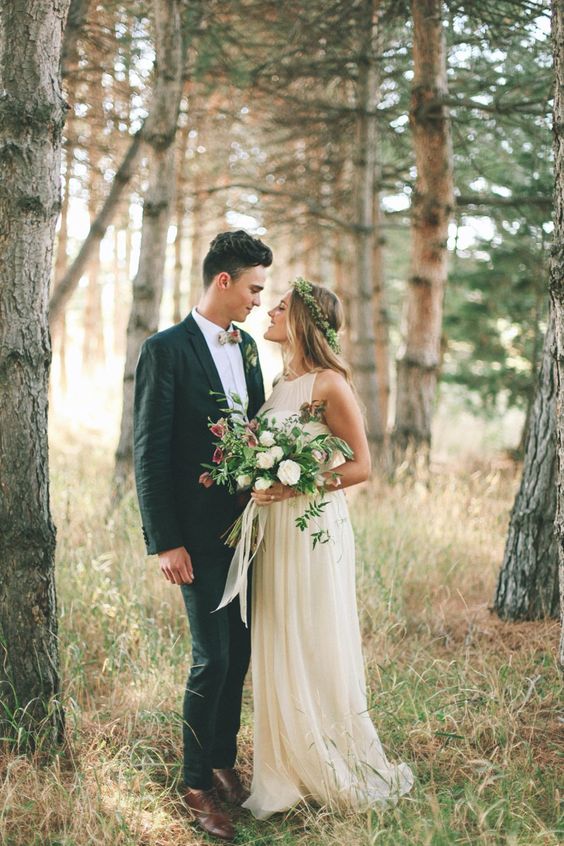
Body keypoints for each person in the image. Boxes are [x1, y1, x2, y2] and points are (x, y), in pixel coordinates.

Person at [235, 279, 414, 819]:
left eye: (281, 306)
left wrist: (296, 487)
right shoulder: (278, 383)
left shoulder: (329, 383)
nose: (269, 310)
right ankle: (285, 769)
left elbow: (361, 466)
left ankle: (331, 759)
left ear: (303, 320)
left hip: (311, 529)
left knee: (310, 634)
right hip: (274, 532)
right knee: (278, 636)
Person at [133, 229, 272, 842]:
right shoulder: (165, 350)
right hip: (192, 535)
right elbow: (149, 452)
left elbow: (257, 431)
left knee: (238, 654)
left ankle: (221, 762)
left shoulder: (248, 348)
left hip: (247, 530)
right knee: (211, 656)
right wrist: (165, 540)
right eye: (253, 289)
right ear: (223, 280)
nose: (257, 301)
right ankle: (194, 783)